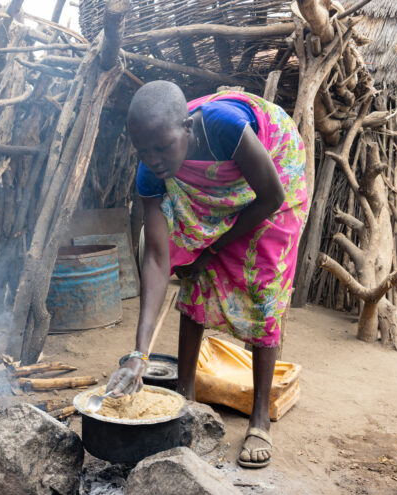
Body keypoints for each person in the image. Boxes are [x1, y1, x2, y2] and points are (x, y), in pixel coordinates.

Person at [106, 81, 308, 468]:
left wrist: (214, 245)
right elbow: (156, 258)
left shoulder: (223, 127)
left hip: (273, 171)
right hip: (219, 187)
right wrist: (138, 354)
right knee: (194, 278)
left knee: (264, 285)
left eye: (162, 147)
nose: (154, 160)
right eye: (143, 151)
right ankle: (185, 394)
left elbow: (270, 197)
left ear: (188, 127)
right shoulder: (152, 171)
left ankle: (260, 416)